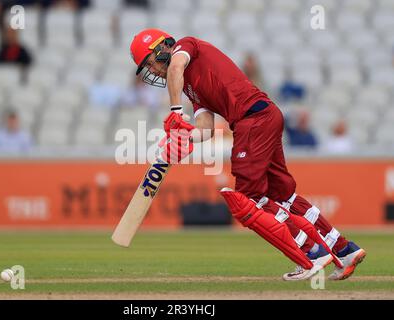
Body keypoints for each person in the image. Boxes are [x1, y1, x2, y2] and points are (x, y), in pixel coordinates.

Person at [129, 29, 366, 281]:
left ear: (161, 49)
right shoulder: (189, 86)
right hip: (265, 117)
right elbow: (205, 129)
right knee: (282, 195)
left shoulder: (185, 48)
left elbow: (176, 66)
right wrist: (182, 136)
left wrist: (175, 111)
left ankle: (312, 252)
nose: (152, 72)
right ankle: (344, 249)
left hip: (252, 120)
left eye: (150, 63)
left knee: (247, 200)